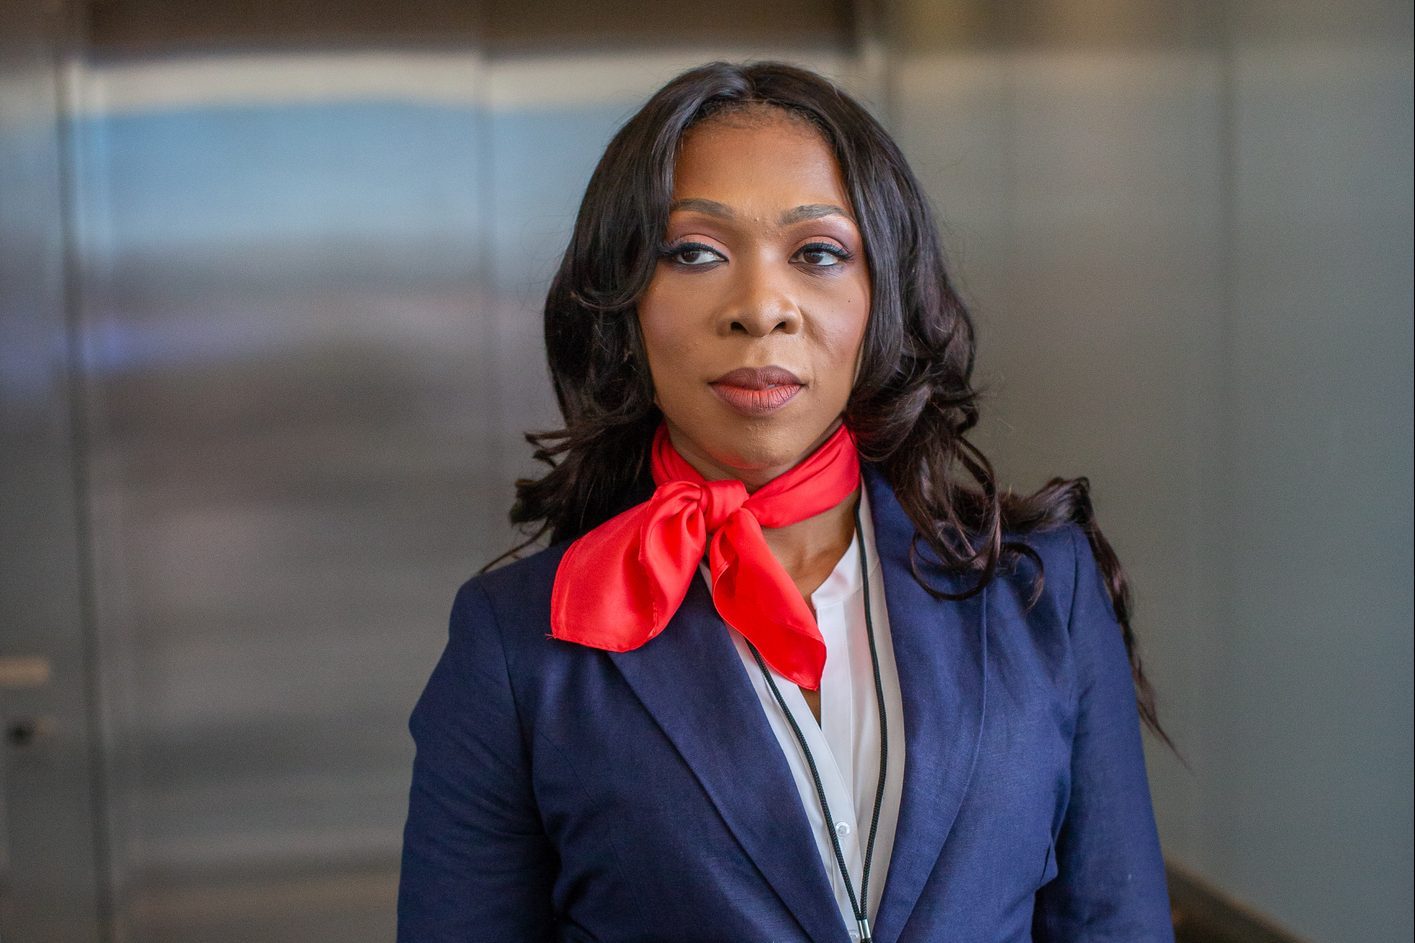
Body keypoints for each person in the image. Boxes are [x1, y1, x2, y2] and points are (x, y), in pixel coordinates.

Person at [397, 60, 1175, 942]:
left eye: (817, 253)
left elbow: (1116, 923)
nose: (761, 307)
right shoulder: (514, 644)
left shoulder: (1041, 590)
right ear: (622, 304)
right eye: (694, 252)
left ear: (881, 293)